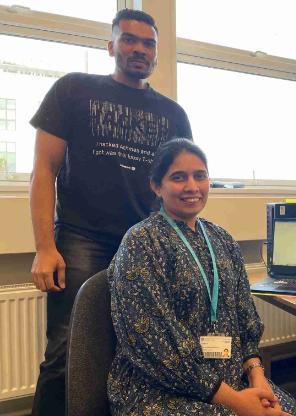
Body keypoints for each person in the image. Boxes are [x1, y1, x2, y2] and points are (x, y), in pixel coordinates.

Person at [29, 9, 192, 415]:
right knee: (68, 347)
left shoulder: (173, 114)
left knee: (140, 346)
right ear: (111, 46)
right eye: (130, 39)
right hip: (81, 239)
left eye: (149, 43)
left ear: (157, 52)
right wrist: (44, 247)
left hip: (145, 241)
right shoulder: (72, 90)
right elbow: (43, 170)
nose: (139, 49)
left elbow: (180, 183)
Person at [108, 138, 296, 416]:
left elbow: (245, 318)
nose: (192, 187)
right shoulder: (141, 243)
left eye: (200, 176)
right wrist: (240, 404)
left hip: (233, 380)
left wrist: (257, 377)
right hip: (160, 391)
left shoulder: (222, 239)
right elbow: (155, 347)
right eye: (178, 178)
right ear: (156, 186)